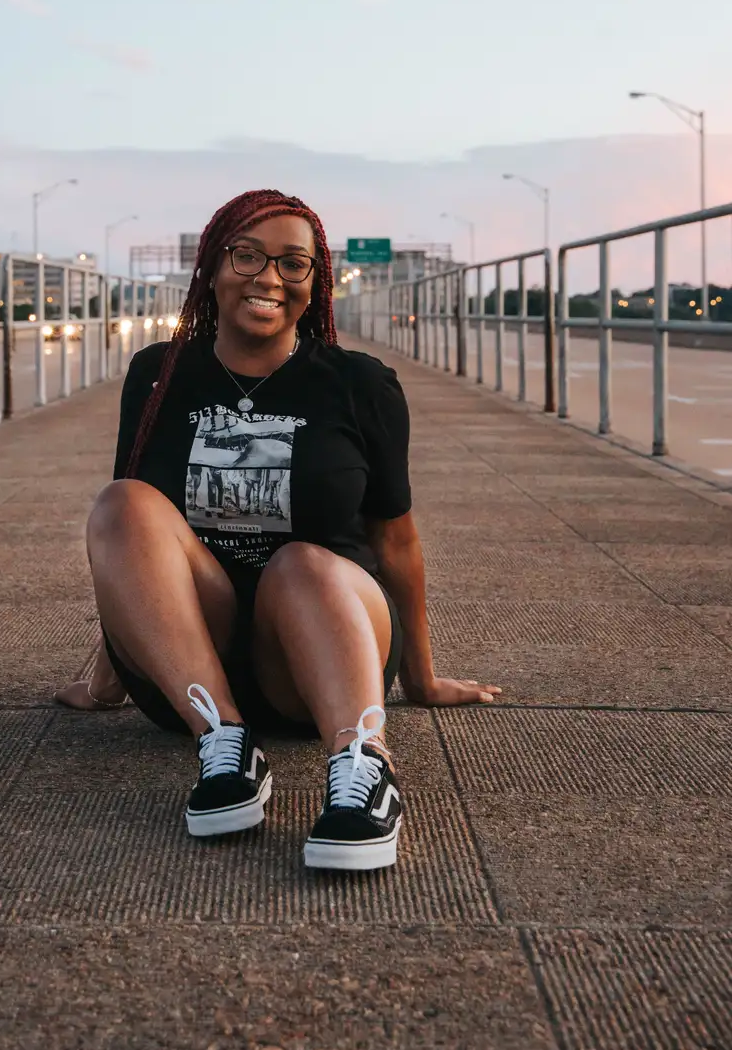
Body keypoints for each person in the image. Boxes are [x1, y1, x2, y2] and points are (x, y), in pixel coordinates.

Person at [59, 188, 500, 871]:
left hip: (319, 649)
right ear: (211, 266)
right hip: (195, 672)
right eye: (247, 255)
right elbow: (132, 547)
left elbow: (396, 540)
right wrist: (110, 675)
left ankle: (363, 767)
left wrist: (423, 677)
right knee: (121, 502)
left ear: (314, 284)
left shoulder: (359, 384)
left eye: (294, 264)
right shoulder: (159, 373)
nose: (268, 278)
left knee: (302, 563)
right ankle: (228, 748)